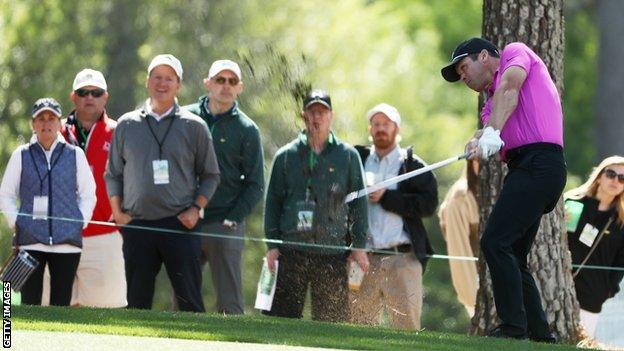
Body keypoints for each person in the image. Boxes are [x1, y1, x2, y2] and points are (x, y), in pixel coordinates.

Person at [441, 37, 566, 341]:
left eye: (463, 67)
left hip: (541, 164)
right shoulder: (489, 104)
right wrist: (476, 142)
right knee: (513, 251)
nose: (463, 77)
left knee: (494, 242)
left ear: (484, 56)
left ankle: (512, 328)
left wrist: (493, 131)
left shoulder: (514, 53)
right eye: (459, 74)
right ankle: (540, 335)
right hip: (526, 169)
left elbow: (511, 89)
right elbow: (485, 128)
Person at [105, 54, 220, 312]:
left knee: (190, 303)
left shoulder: (195, 126)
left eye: (169, 78)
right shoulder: (126, 124)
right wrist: (117, 212)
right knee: (137, 303)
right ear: (148, 82)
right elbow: (113, 173)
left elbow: (211, 175)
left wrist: (196, 209)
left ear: (178, 85)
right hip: (138, 223)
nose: (162, 83)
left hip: (180, 224)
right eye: (157, 77)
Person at [263, 89, 369, 322]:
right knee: (282, 322)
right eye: (312, 112)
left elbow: (360, 203)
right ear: (304, 116)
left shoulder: (347, 155)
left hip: (331, 251)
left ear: (331, 116)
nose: (317, 118)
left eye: (322, 112)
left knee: (332, 323)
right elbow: (272, 204)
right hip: (292, 250)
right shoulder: (286, 155)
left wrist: (358, 245)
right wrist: (272, 244)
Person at [185, 59, 264, 315]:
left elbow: (255, 184)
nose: (226, 86)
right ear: (208, 83)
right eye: (220, 80)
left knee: (230, 305)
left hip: (225, 223)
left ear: (239, 87)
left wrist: (234, 217)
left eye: (232, 81)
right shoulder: (185, 118)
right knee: (183, 301)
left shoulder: (247, 129)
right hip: (186, 220)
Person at [350, 103, 438, 330]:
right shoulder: (356, 161)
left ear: (396, 129)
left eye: (386, 125)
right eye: (376, 124)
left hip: (403, 260)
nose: (380, 129)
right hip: (363, 260)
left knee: (407, 330)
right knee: (357, 329)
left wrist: (388, 197)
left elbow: (429, 205)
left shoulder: (412, 165)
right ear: (370, 130)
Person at [0, 98, 96, 306]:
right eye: (40, 119)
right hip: (29, 242)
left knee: (61, 306)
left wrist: (79, 221)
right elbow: (6, 194)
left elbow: (89, 193)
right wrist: (16, 222)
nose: (46, 123)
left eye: (51, 118)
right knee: (29, 305)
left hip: (67, 244)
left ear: (60, 123)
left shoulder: (75, 154)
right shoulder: (21, 155)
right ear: (33, 124)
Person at [57, 68, 126, 307]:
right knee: (50, 313)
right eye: (83, 92)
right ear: (73, 97)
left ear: (105, 97)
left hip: (104, 235)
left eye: (96, 93)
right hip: (57, 236)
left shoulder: (119, 132)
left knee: (105, 315)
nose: (89, 97)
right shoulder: (54, 131)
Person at [565, 156, 624, 337]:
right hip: (558, 285)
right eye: (611, 174)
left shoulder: (620, 222)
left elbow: (620, 264)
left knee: (580, 344)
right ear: (599, 176)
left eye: (622, 178)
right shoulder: (572, 203)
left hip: (592, 296)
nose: (615, 180)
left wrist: (607, 290)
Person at [438, 159, 480, 317]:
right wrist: (475, 302)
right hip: (480, 288)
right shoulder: (460, 199)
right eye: (478, 160)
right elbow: (460, 255)